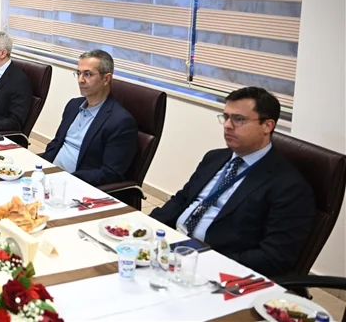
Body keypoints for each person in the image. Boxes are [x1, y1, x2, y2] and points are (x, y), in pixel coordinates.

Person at [150, 87, 314, 278]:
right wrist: (148, 227)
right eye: (226, 117)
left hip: (214, 268)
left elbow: (274, 257)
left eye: (238, 119)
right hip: (174, 247)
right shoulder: (214, 158)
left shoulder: (288, 186)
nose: (228, 125)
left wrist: (205, 262)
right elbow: (182, 199)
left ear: (267, 126)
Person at [41, 50, 138, 186]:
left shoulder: (121, 122)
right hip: (50, 176)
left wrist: (68, 178)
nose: (80, 80)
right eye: (78, 73)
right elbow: (56, 143)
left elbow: (110, 173)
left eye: (88, 74)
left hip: (77, 185)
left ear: (106, 79)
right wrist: (42, 167)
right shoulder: (73, 105)